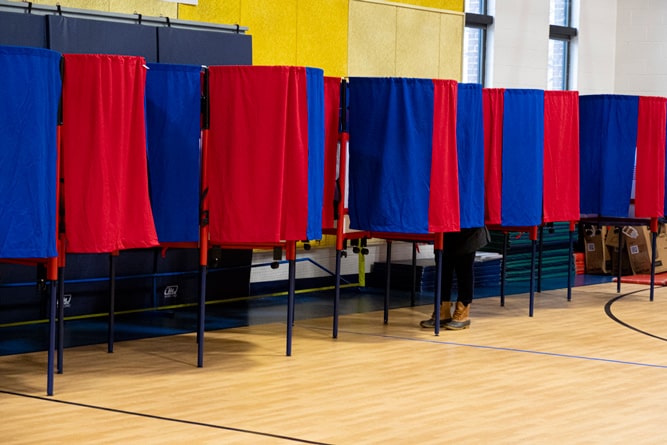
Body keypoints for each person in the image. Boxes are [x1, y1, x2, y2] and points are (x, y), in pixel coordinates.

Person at [420, 226, 490, 330]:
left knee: (464, 270)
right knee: (443, 270)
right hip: (447, 229)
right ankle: (442, 312)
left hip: (468, 230)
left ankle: (463, 312)